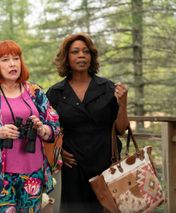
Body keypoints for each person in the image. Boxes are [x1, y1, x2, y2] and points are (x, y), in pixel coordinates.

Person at [0, 40, 60, 213]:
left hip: (33, 172)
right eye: (5, 60)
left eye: (16, 58)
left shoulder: (34, 91)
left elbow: (54, 124)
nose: (12, 64)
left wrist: (41, 129)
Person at [46, 33, 129, 213]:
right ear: (67, 58)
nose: (81, 55)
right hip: (73, 168)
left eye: (86, 51)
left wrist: (123, 103)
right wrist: (58, 151)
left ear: (91, 57)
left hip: (106, 166)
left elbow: (121, 129)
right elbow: (47, 131)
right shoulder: (55, 93)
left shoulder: (108, 88)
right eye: (75, 52)